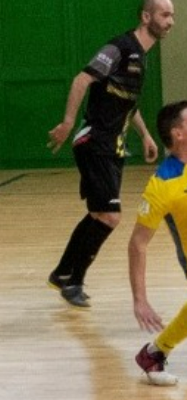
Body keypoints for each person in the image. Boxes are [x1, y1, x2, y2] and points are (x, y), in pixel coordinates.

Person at [46, 0, 175, 308]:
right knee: (110, 215)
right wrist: (67, 122)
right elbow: (82, 79)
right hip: (95, 142)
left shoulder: (142, 57)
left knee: (97, 214)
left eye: (173, 15)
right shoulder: (119, 48)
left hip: (113, 145)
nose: (171, 21)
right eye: (165, 14)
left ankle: (62, 273)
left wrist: (144, 134)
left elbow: (128, 102)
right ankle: (74, 282)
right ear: (146, 16)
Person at [130, 101, 187, 386]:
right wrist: (140, 300)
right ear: (178, 134)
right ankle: (155, 351)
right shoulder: (163, 184)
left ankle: (154, 353)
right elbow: (137, 244)